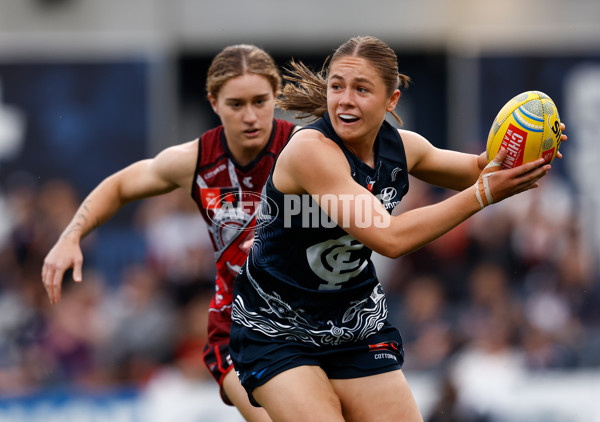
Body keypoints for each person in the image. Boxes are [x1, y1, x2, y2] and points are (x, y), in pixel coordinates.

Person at [228, 35, 568, 422]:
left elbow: (480, 170)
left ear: (391, 100)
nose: (344, 100)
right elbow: (389, 237)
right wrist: (483, 194)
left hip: (353, 326)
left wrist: (529, 152)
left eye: (361, 89)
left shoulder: (403, 148)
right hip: (276, 330)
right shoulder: (311, 151)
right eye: (336, 86)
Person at [41, 44, 298, 422]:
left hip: (310, 320)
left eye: (260, 101)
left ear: (276, 97)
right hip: (238, 329)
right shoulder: (195, 160)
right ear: (213, 102)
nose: (250, 116)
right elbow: (119, 186)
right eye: (235, 104)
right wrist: (71, 236)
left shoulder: (305, 150)